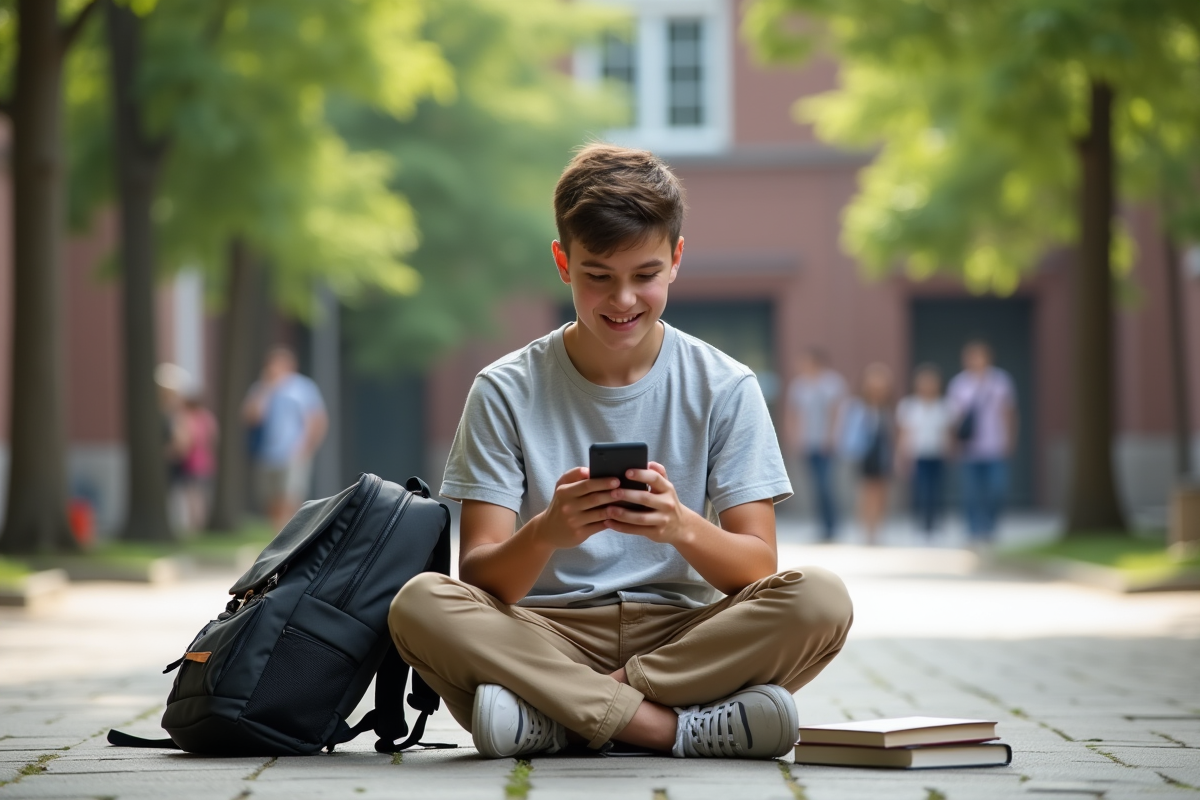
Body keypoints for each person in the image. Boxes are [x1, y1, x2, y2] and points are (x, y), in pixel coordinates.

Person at [389, 144, 853, 761]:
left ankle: (555, 717)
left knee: (821, 598)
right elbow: (480, 577)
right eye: (599, 276)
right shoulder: (504, 388)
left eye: (645, 275)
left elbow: (757, 567)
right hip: (545, 633)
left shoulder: (726, 386)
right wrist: (547, 532)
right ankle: (673, 730)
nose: (624, 300)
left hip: (684, 636)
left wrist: (681, 526)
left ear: (677, 259)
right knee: (419, 604)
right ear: (563, 263)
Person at [242, 347, 327, 531]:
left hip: (293, 452)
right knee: (270, 498)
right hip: (266, 453)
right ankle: (278, 533)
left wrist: (307, 447)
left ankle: (291, 532)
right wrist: (266, 388)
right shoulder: (260, 388)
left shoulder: (303, 387)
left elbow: (317, 419)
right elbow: (252, 417)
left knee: (290, 495)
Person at [947, 340, 1018, 543]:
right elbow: (953, 418)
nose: (975, 360)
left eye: (979, 356)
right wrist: (953, 443)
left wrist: (1010, 439)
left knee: (997, 489)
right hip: (969, 448)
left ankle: (990, 526)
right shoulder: (959, 384)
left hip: (995, 445)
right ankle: (974, 529)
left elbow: (1009, 413)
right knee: (970, 492)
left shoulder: (1001, 381)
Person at [785, 349, 847, 542]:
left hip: (826, 444)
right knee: (815, 486)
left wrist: (832, 437)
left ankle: (832, 525)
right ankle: (823, 526)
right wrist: (794, 438)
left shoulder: (832, 383)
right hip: (807, 443)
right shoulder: (799, 386)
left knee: (826, 484)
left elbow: (837, 412)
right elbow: (793, 413)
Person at [896, 364, 953, 536]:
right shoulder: (908, 405)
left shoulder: (944, 405)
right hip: (917, 454)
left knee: (936, 489)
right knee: (920, 489)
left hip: (937, 454)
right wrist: (901, 455)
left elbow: (948, 432)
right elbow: (904, 432)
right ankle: (921, 523)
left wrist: (950, 450)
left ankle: (935, 522)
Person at [840, 363, 894, 545]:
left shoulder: (886, 409)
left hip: (882, 455)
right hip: (864, 455)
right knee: (866, 492)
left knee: (881, 493)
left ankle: (877, 529)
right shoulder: (857, 407)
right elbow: (849, 434)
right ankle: (866, 530)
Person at [177, 394, 218, 532]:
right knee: (201, 494)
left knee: (192, 494)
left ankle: (195, 525)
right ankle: (200, 523)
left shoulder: (189, 419)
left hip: (192, 461)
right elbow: (214, 437)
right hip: (206, 461)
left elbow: (188, 440)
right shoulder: (208, 418)